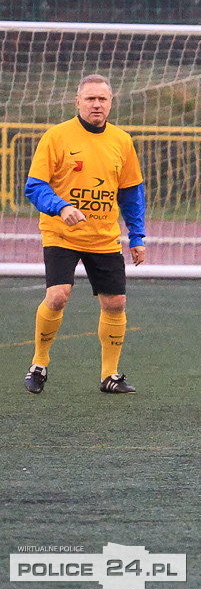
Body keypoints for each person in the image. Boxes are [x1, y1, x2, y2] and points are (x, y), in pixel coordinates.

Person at [23, 73, 146, 395]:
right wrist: (62, 208)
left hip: (104, 236)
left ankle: (110, 375)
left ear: (110, 104)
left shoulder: (122, 141)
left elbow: (131, 193)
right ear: (77, 102)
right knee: (58, 294)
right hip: (61, 233)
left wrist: (137, 236)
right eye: (90, 99)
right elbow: (34, 186)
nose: (96, 104)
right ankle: (39, 363)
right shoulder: (57, 137)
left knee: (116, 303)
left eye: (102, 99)